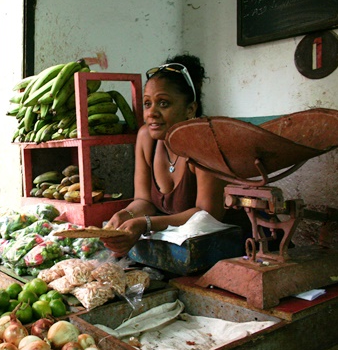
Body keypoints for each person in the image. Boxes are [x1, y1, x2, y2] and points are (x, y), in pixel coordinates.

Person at [102, 54, 248, 257]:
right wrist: (126, 215)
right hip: (185, 251)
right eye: (147, 103)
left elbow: (207, 216)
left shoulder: (205, 143)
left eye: (163, 103)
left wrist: (146, 224)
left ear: (190, 109)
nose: (151, 113)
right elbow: (144, 201)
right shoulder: (146, 137)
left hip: (233, 250)